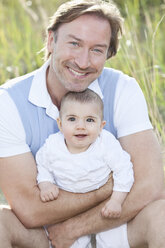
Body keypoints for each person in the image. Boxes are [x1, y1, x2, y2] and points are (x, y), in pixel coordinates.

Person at [0, 0, 164, 248]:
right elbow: (28, 209)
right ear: (51, 40)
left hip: (115, 225)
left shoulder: (123, 89)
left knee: (162, 214)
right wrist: (104, 189)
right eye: (74, 44)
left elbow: (151, 187)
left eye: (97, 50)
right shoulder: (8, 101)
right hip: (45, 236)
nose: (83, 61)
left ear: (108, 53)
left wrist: (76, 228)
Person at [36, 89, 134, 247]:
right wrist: (46, 184)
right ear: (60, 124)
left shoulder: (106, 144)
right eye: (72, 119)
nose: (80, 126)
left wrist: (116, 200)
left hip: (104, 204)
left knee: (112, 239)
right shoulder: (52, 146)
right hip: (69, 208)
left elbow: (124, 170)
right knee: (72, 243)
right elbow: (42, 164)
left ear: (101, 126)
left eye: (89, 120)